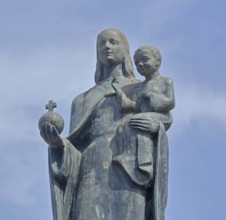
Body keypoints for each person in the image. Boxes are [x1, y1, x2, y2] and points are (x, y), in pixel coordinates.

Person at [40, 29, 173, 220]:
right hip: (90, 171)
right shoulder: (82, 100)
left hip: (129, 170)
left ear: (125, 51)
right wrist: (58, 146)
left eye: (113, 42)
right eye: (102, 44)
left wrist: (154, 126)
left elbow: (165, 118)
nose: (107, 47)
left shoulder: (140, 88)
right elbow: (74, 148)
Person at [111, 45, 175, 183]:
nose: (140, 64)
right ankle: (128, 156)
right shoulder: (139, 87)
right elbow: (133, 106)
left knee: (138, 120)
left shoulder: (165, 81)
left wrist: (152, 96)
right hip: (143, 115)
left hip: (161, 116)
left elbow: (170, 102)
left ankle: (145, 165)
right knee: (124, 126)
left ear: (157, 61)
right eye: (137, 63)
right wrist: (118, 91)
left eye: (145, 60)